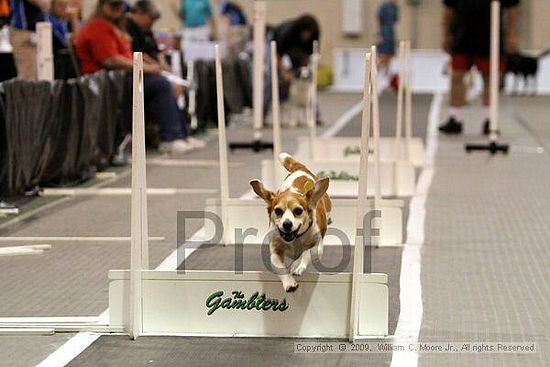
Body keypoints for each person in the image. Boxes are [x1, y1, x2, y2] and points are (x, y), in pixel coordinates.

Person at [75, 0, 200, 154]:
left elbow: (126, 55)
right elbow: (110, 59)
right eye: (113, 5)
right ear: (102, 5)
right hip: (110, 83)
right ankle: (170, 137)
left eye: (120, 5)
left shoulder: (114, 27)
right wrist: (146, 68)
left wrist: (151, 67)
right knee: (160, 84)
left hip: (123, 78)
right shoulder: (98, 27)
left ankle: (181, 134)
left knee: (164, 82)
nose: (118, 9)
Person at [439, 0, 519, 135]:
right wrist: (446, 35)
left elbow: (512, 8)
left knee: (490, 78)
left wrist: (512, 34)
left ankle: (489, 120)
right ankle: (455, 118)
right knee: (457, 76)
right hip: (462, 36)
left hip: (490, 37)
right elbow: (448, 9)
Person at [9, 0, 48, 80]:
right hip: (23, 32)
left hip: (38, 32)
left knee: (40, 74)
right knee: (28, 76)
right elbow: (43, 3)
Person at [377, 0, 399, 73]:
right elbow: (379, 20)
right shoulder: (384, 6)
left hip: (391, 32)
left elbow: (395, 20)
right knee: (383, 54)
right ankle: (376, 69)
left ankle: (386, 73)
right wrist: (379, 34)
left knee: (390, 55)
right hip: (384, 31)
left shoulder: (395, 7)